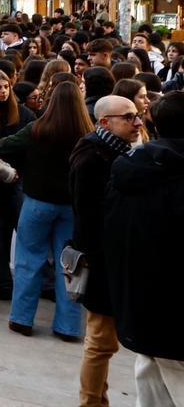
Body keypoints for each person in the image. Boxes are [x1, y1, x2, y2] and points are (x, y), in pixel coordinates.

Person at [104, 92, 184, 405]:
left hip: (138, 306)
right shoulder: (166, 176)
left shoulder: (127, 170)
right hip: (171, 313)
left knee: (150, 381)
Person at [0, 81, 89, 341]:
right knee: (70, 265)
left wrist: (25, 166)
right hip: (71, 206)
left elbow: (2, 147)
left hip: (37, 201)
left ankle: (22, 319)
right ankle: (68, 326)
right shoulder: (87, 131)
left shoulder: (37, 128)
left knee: (29, 260)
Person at [70, 94, 143, 407]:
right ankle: (91, 402)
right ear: (104, 123)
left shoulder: (115, 151)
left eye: (138, 114)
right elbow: (90, 220)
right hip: (103, 264)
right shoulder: (93, 158)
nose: (137, 121)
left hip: (112, 261)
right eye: (128, 117)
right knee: (100, 341)